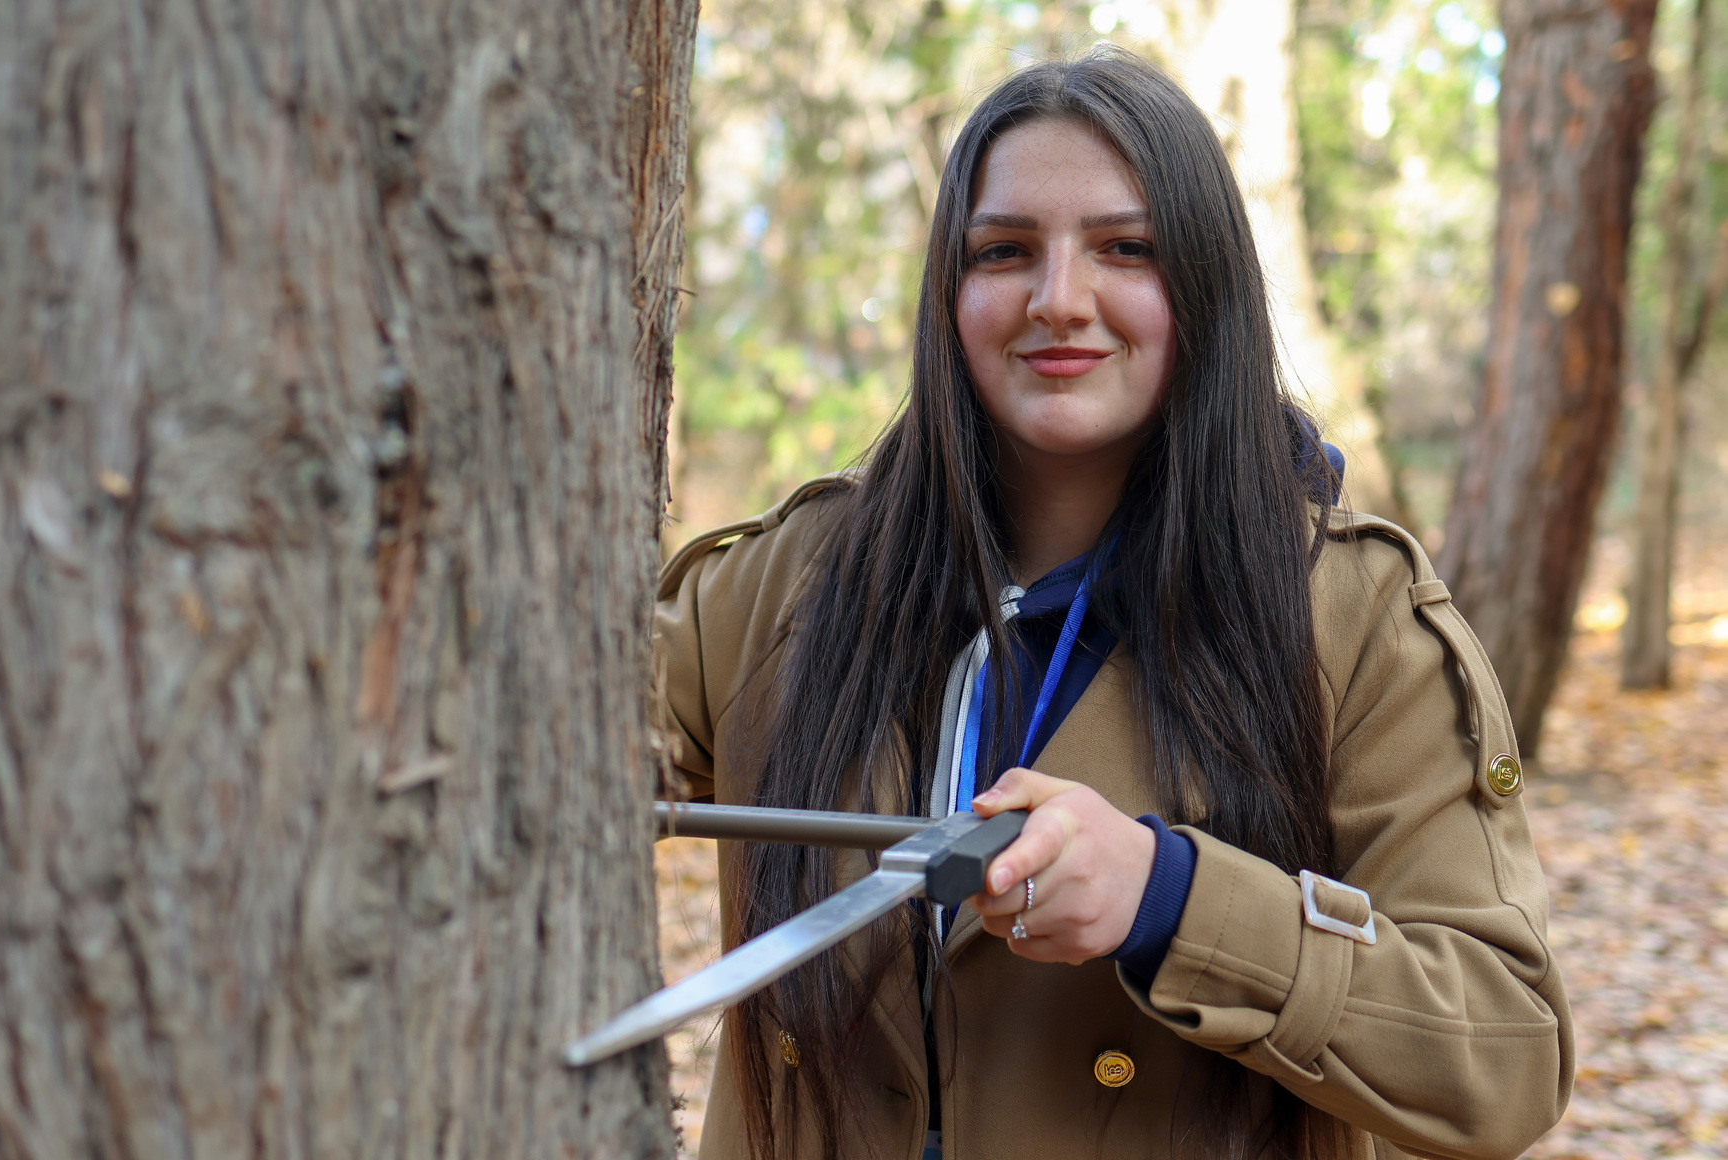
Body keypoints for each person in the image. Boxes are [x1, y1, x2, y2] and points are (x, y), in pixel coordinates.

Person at [656, 48, 1571, 1160]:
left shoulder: (1351, 616)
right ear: (949, 293)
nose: (1058, 300)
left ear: (1206, 282)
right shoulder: (786, 581)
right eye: (1003, 251)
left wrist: (1171, 899)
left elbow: (1506, 1055)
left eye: (1124, 248)